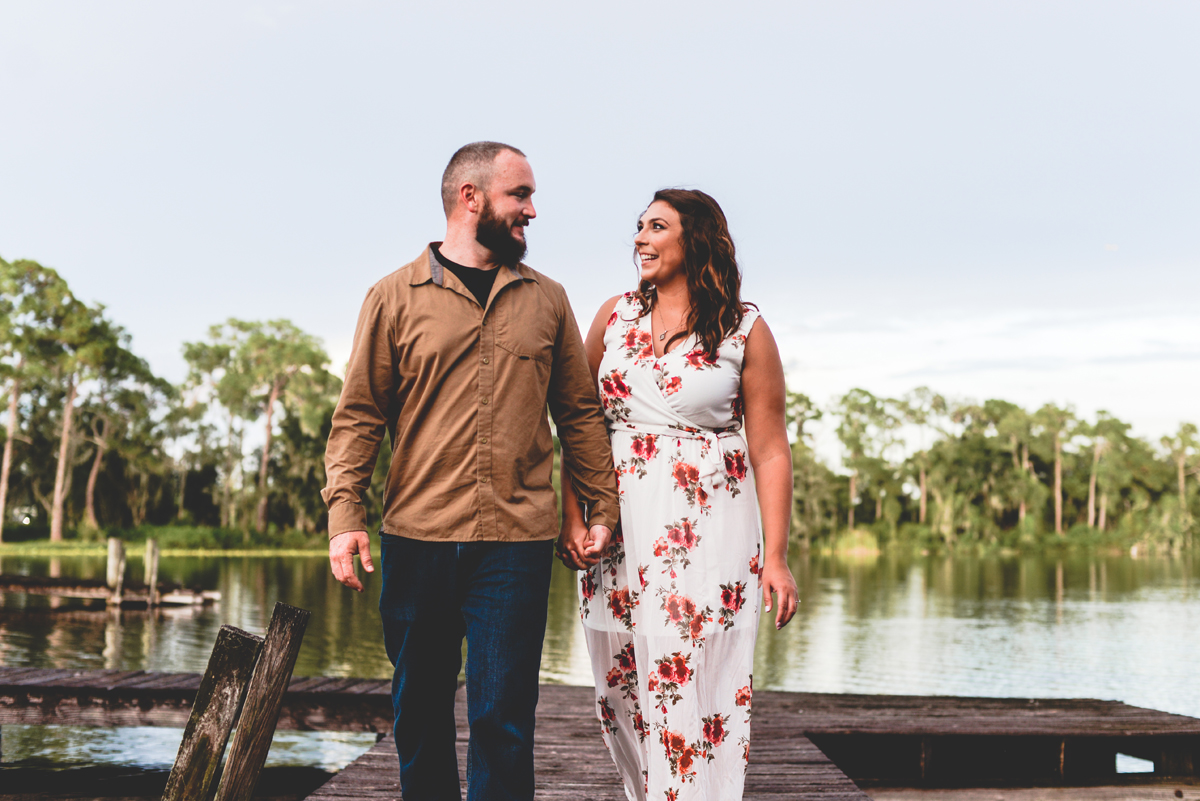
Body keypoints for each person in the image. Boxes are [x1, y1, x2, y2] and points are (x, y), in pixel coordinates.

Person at [322, 141, 620, 801]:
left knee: (502, 718)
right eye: (520, 196)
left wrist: (602, 510)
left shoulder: (548, 300)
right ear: (470, 197)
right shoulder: (393, 297)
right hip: (417, 538)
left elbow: (578, 414)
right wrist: (346, 518)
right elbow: (359, 417)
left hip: (514, 546)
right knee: (420, 713)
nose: (532, 211)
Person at [558, 189, 799, 801]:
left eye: (656, 227)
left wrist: (777, 557)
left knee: (693, 678)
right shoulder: (613, 317)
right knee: (620, 686)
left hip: (706, 533)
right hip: (618, 533)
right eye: (638, 226)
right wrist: (569, 516)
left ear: (695, 240)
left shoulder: (745, 328)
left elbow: (770, 449)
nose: (639, 237)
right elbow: (578, 424)